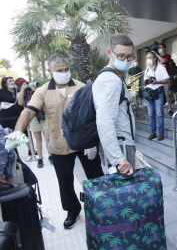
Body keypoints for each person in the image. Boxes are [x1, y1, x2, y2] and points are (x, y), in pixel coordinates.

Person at [6, 54, 104, 230]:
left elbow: (95, 113)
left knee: (95, 175)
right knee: (64, 180)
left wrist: (95, 142)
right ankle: (72, 211)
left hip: (84, 142)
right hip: (59, 144)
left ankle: (102, 207)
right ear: (50, 71)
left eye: (67, 69)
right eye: (60, 70)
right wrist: (17, 131)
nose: (64, 73)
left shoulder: (82, 87)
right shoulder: (43, 91)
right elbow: (28, 111)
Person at [92, 33, 136, 175]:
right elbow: (104, 120)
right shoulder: (111, 80)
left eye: (130, 56)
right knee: (125, 194)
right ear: (110, 53)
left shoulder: (112, 76)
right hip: (120, 146)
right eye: (121, 55)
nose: (126, 60)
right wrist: (119, 158)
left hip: (121, 145)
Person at [15, 78, 52, 168]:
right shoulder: (21, 93)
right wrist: (22, 90)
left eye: (26, 83)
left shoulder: (36, 91)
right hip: (33, 118)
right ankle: (40, 158)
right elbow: (20, 103)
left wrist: (36, 91)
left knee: (48, 138)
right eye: (22, 84)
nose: (26, 85)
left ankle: (51, 156)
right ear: (19, 86)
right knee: (38, 139)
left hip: (44, 115)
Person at [144, 51, 170, 141]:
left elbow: (167, 79)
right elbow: (144, 82)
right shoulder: (147, 69)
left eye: (149, 57)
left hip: (158, 92)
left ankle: (161, 134)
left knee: (159, 114)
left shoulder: (161, 68)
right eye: (147, 58)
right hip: (149, 93)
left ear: (155, 59)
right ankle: (153, 133)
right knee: (151, 114)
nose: (148, 59)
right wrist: (147, 80)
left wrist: (157, 82)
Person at [153, 43, 173, 112]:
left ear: (164, 49)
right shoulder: (156, 58)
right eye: (158, 48)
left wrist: (156, 54)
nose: (159, 49)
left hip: (166, 78)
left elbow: (164, 61)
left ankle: (169, 108)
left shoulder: (167, 55)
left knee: (168, 93)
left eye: (160, 47)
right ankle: (159, 108)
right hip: (158, 78)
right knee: (159, 93)